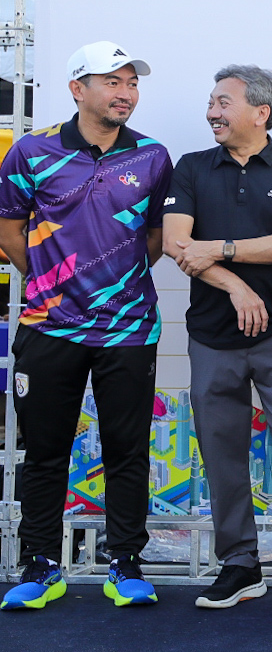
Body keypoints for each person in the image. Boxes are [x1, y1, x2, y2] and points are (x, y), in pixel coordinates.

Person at [0, 42, 170, 611]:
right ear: (78, 89)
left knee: (128, 451)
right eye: (113, 82)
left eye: (132, 83)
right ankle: (41, 565)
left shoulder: (152, 156)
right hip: (48, 328)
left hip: (129, 329)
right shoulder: (32, 150)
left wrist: (112, 284)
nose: (127, 93)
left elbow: (155, 237)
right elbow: (8, 230)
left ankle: (126, 564)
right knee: (45, 452)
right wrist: (51, 282)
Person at [163, 65, 272, 611]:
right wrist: (235, 285)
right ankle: (239, 564)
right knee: (221, 449)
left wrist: (219, 249)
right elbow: (176, 243)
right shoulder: (191, 167)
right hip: (211, 335)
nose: (212, 112)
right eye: (211, 102)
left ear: (261, 112)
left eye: (223, 103)